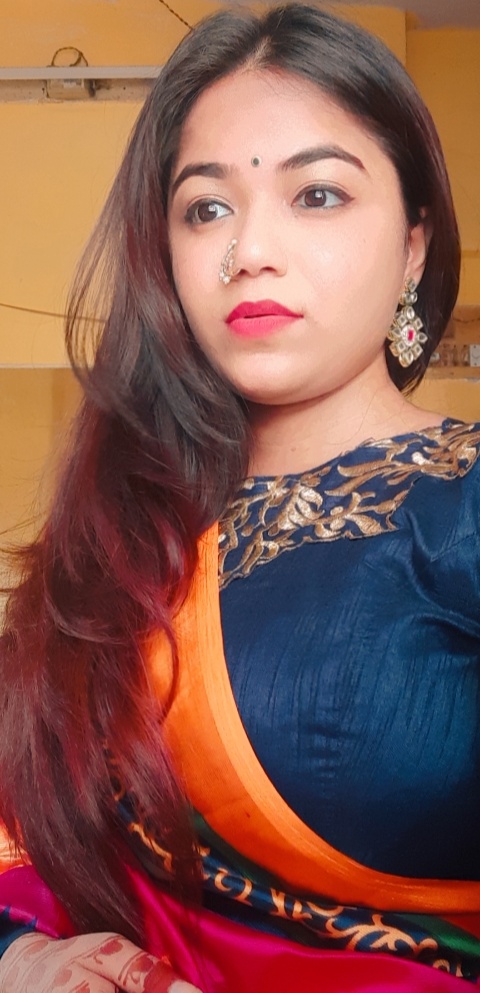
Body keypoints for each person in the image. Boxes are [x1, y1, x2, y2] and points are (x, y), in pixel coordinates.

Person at [0, 3, 479, 991]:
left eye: (318, 194)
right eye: (206, 208)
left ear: (414, 245)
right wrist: (26, 957)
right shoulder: (117, 534)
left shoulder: (464, 500)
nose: (250, 248)